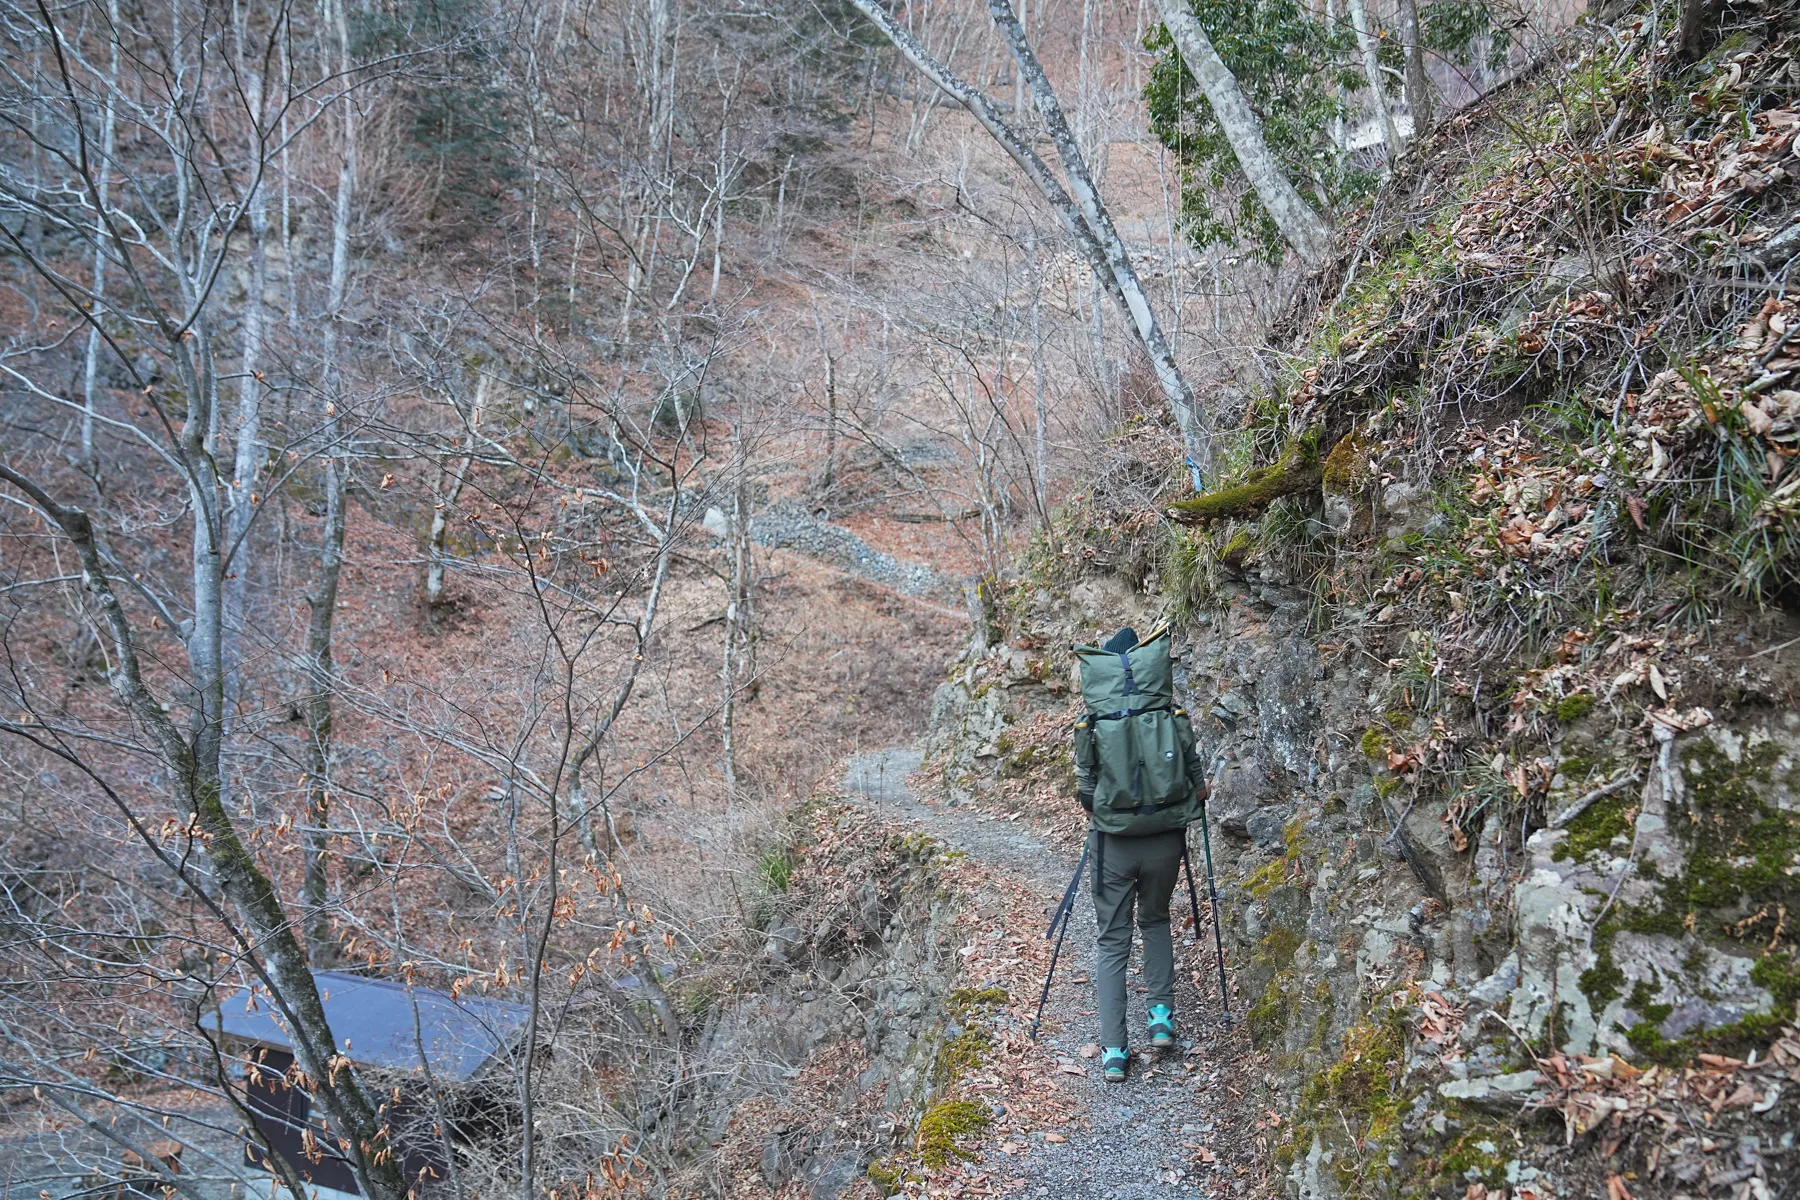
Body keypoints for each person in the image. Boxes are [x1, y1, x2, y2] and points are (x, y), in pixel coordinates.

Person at [1072, 626, 1210, 1083]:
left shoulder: (1095, 722)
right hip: (1165, 841)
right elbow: (1197, 778)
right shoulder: (1169, 712)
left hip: (1114, 845)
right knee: (1155, 921)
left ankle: (1114, 1051)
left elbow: (1085, 792)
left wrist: (1109, 809)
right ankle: (1161, 1019)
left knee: (1112, 942)